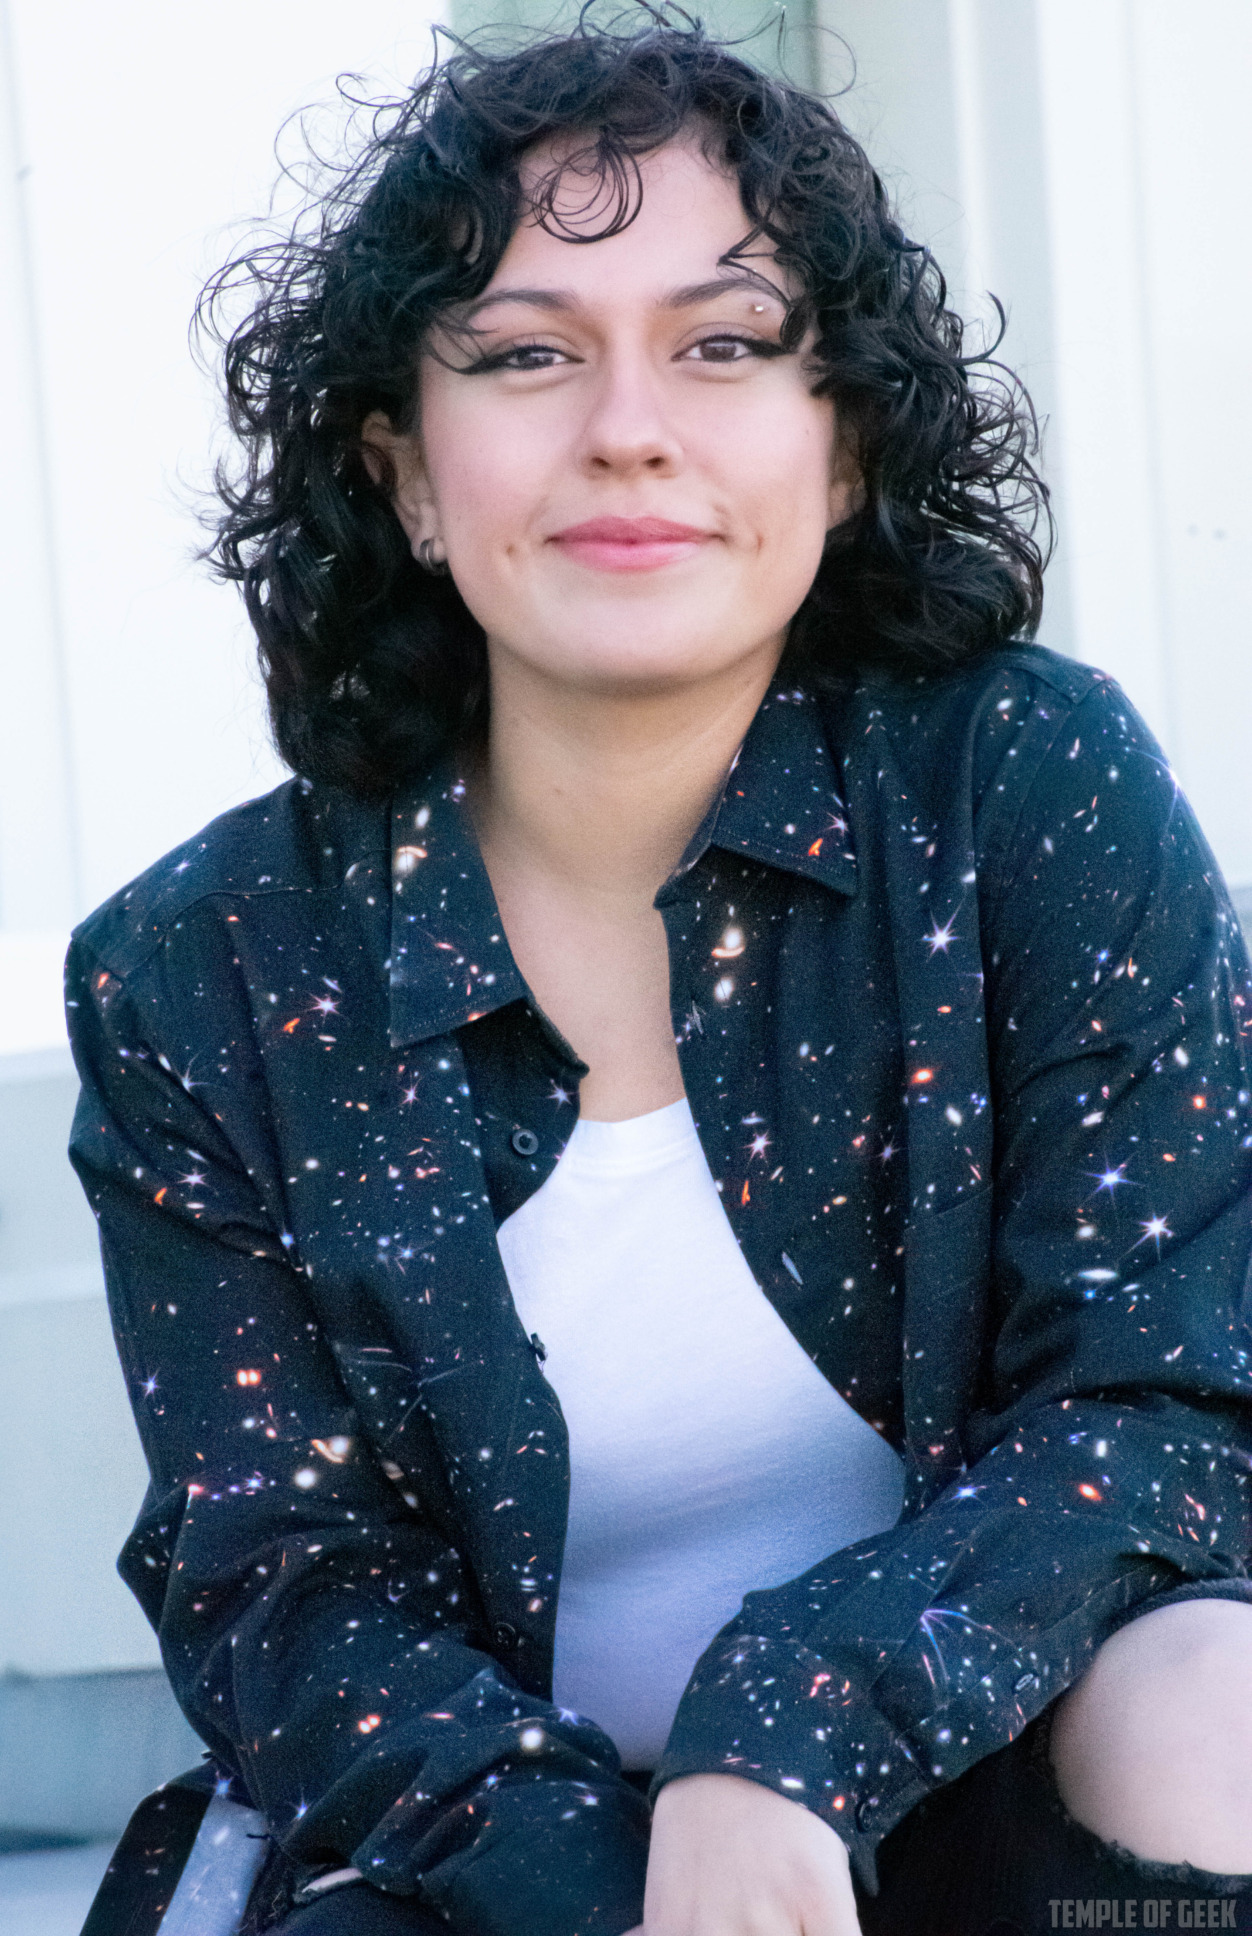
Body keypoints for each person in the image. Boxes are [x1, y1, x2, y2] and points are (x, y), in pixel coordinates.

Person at [66, 20, 1252, 1936]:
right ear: (408, 475)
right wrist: (626, 1878)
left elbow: (1161, 1415)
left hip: (968, 1800)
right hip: (494, 1861)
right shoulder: (193, 974)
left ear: (843, 443)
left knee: (1223, 1701)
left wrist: (777, 1737)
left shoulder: (1026, 789)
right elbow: (284, 1583)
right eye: (527, 354)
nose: (628, 426)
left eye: (723, 345)